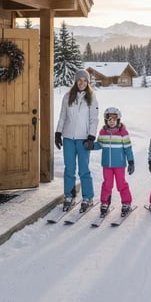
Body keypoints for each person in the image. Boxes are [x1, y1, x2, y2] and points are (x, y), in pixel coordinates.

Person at [55, 69, 99, 212]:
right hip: (68, 138)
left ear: (88, 82)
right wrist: (58, 132)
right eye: (79, 80)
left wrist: (91, 137)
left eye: (85, 80)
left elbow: (94, 119)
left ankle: (87, 197)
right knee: (69, 169)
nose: (82, 83)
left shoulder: (91, 97)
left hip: (83, 139)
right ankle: (69, 196)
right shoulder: (68, 96)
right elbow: (62, 116)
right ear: (75, 81)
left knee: (84, 170)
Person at [94, 107, 135, 217]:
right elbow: (99, 144)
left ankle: (126, 203)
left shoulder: (123, 133)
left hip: (119, 165)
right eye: (109, 119)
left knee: (121, 184)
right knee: (107, 184)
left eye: (114, 119)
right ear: (106, 120)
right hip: (107, 165)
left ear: (118, 120)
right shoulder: (103, 132)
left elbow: (128, 148)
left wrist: (131, 162)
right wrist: (90, 145)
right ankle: (105, 203)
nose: (111, 121)